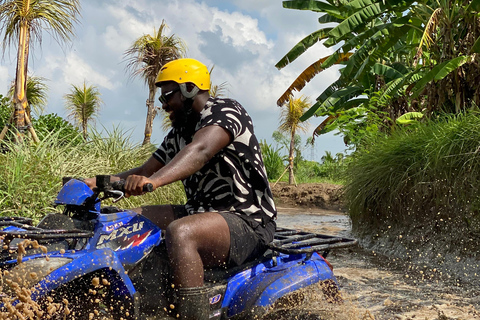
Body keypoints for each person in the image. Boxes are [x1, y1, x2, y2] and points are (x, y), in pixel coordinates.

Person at [85, 58, 277, 320]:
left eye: (167, 96)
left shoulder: (226, 112)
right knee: (131, 220)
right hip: (198, 212)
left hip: (246, 220)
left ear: (189, 89)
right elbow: (145, 171)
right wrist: (101, 182)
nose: (164, 105)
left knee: (181, 232)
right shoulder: (180, 132)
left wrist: (155, 182)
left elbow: (200, 150)